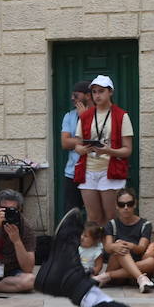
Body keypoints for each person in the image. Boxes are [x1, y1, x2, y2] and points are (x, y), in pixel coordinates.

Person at [74, 75, 134, 231]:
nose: (97, 95)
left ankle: (110, 251)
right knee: (93, 217)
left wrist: (109, 151)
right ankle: (95, 252)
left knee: (111, 216)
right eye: (94, 92)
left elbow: (127, 149)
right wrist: (81, 149)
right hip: (89, 170)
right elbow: (77, 144)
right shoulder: (86, 115)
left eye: (101, 91)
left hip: (110, 170)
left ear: (110, 92)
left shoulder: (122, 116)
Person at [101, 189, 154, 293]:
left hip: (134, 267)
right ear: (116, 206)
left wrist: (131, 246)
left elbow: (141, 248)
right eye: (122, 204)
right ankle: (140, 278)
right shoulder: (112, 224)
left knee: (152, 262)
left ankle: (106, 276)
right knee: (120, 248)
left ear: (135, 204)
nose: (126, 208)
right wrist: (116, 246)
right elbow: (107, 247)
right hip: (116, 267)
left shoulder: (145, 224)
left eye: (129, 204)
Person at [59, 81, 93, 214]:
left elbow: (96, 139)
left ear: (88, 96)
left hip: (93, 171)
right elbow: (65, 143)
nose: (72, 98)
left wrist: (84, 117)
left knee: (93, 213)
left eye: (76, 95)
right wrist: (81, 142)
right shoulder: (69, 116)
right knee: (71, 213)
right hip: (72, 172)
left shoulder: (98, 115)